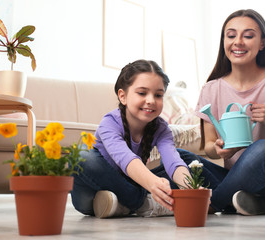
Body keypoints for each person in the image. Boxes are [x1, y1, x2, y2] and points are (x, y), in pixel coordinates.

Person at [184, 9, 265, 216]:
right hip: (239, 184)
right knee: (180, 157)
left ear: (262, 42)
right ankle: (249, 202)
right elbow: (208, 145)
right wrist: (219, 150)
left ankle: (211, 203)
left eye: (248, 36)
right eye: (231, 35)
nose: (238, 42)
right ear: (224, 41)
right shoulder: (211, 89)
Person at [70, 59, 193, 218]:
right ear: (123, 96)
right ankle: (144, 204)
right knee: (82, 157)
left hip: (130, 184)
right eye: (142, 93)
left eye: (158, 95)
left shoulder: (160, 127)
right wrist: (153, 184)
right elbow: (126, 159)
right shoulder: (109, 123)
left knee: (187, 160)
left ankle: (122, 206)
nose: (150, 100)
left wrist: (190, 189)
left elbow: (173, 160)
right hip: (92, 193)